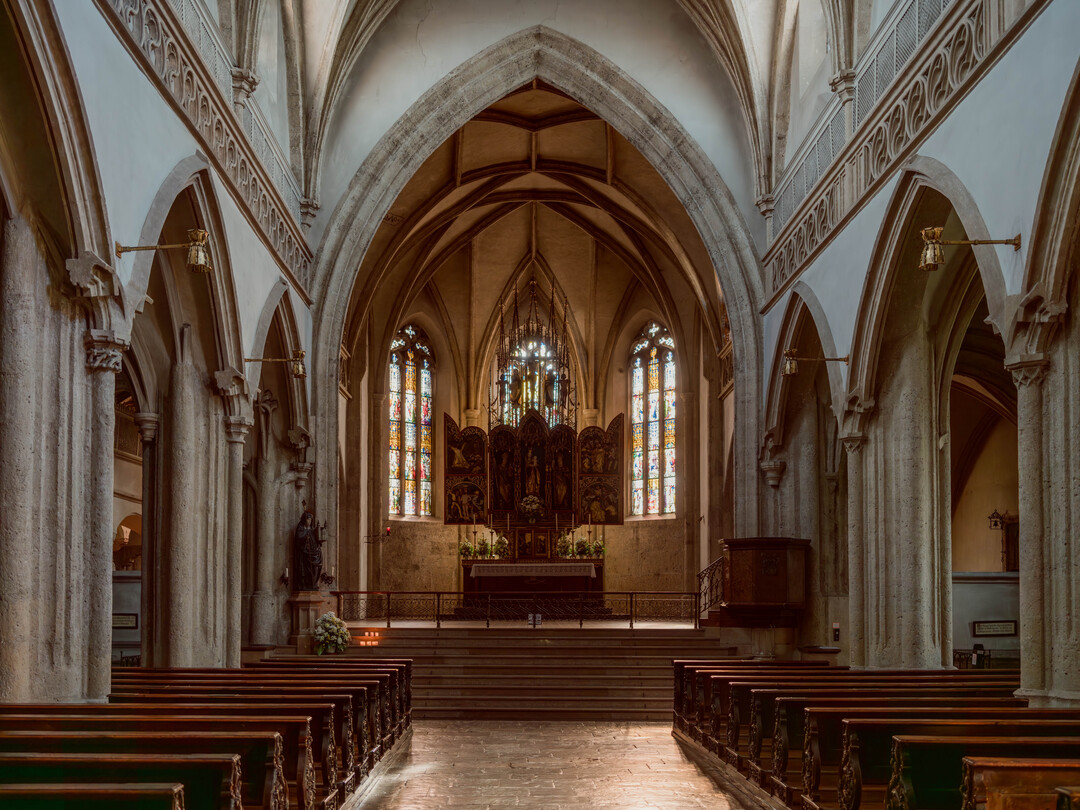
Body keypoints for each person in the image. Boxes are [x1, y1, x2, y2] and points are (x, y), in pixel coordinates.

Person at [294, 511, 326, 590]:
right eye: (308, 519)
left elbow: (316, 539)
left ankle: (313, 583)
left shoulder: (311, 529)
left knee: (316, 567)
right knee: (305, 571)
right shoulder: (300, 528)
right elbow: (299, 538)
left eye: (311, 520)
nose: (310, 521)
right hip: (304, 555)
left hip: (314, 553)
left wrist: (320, 539)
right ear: (304, 520)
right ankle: (305, 585)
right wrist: (305, 537)